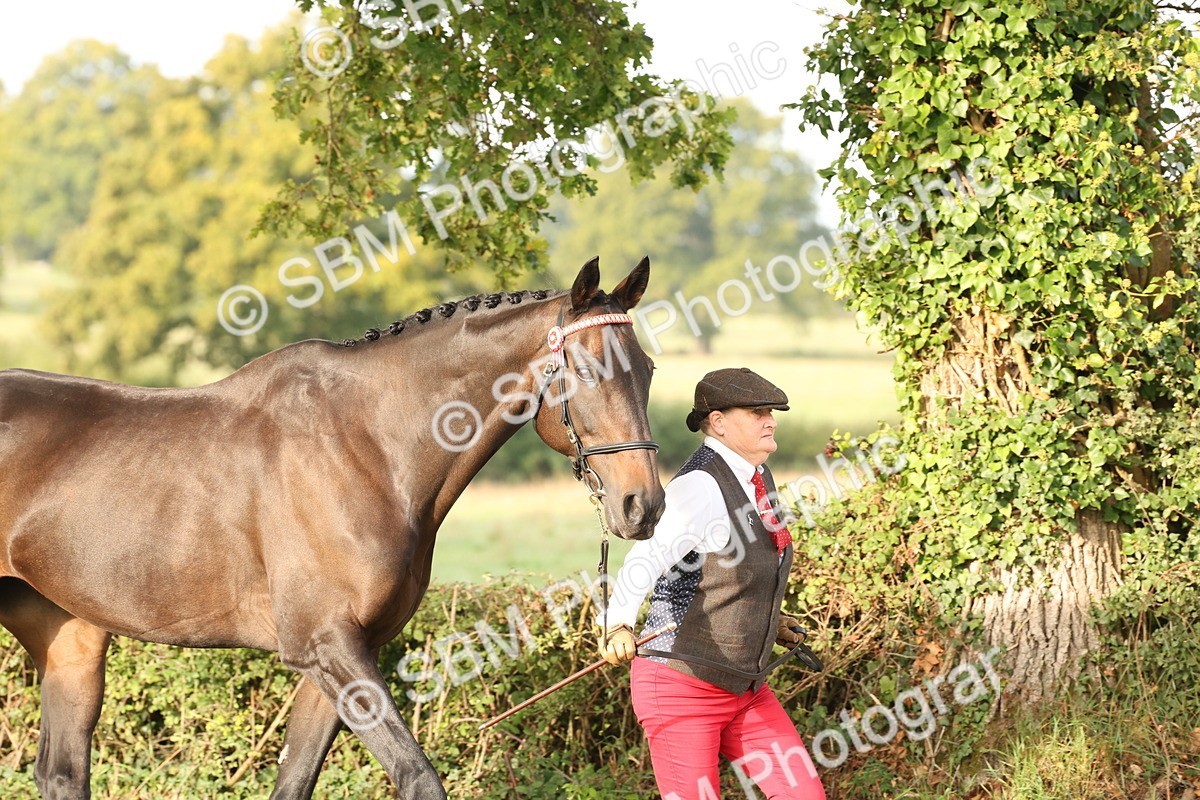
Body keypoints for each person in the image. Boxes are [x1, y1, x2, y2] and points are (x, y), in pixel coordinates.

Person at [600, 367, 826, 800]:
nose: (770, 420)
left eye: (772, 411)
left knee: (804, 795)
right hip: (680, 687)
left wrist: (770, 620)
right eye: (757, 411)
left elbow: (736, 568)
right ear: (718, 422)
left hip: (746, 687)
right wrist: (617, 624)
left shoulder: (757, 477)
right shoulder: (700, 485)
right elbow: (644, 558)